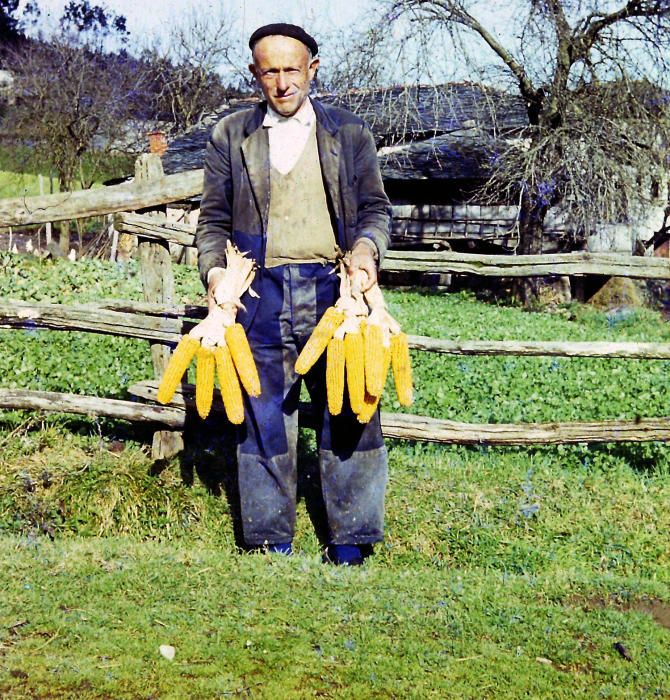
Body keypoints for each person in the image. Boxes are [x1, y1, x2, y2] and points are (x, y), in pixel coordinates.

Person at [195, 23, 392, 565]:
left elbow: (375, 210)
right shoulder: (231, 136)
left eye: (292, 69)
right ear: (254, 74)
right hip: (260, 292)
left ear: (313, 69)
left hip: (335, 288)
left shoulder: (348, 134)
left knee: (352, 405)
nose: (282, 83)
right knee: (261, 413)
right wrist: (216, 276)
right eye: (270, 71)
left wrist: (367, 253)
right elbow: (212, 222)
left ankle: (350, 539)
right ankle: (269, 540)